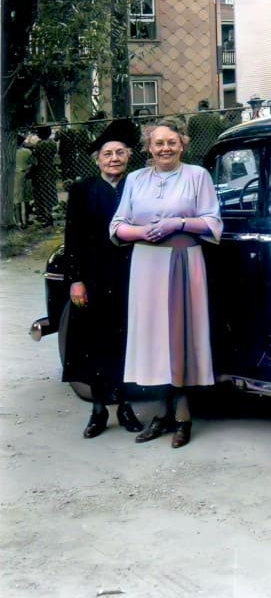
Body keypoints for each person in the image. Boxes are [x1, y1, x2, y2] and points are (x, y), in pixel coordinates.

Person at [110, 117, 222, 448]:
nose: (165, 148)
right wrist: (141, 232)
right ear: (149, 147)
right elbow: (117, 225)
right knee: (154, 340)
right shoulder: (135, 179)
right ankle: (160, 413)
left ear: (182, 144)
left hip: (184, 263)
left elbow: (213, 221)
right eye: (158, 143)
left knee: (181, 337)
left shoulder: (197, 176)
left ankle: (183, 417)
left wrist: (178, 222)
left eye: (171, 142)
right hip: (147, 266)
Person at [62, 120, 144, 438]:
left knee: (126, 341)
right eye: (108, 153)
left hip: (130, 275)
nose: (114, 159)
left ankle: (124, 405)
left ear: (128, 157)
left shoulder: (137, 187)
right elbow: (74, 238)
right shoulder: (83, 191)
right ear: (98, 159)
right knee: (94, 344)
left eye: (120, 153)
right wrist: (76, 280)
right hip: (94, 278)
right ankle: (98, 410)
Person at [185, 99, 227, 166]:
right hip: (211, 148)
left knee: (198, 169)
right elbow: (221, 130)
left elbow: (190, 134)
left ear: (199, 108)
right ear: (207, 107)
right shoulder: (215, 118)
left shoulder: (193, 119)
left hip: (197, 149)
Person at [31, 125, 58, 226]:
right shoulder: (52, 144)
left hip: (41, 171)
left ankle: (46, 216)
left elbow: (34, 158)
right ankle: (49, 214)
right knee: (50, 192)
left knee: (43, 193)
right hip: (50, 169)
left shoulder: (39, 145)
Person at [14, 133, 35, 228]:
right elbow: (34, 163)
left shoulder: (11, 153)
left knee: (17, 200)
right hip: (26, 176)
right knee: (26, 199)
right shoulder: (27, 151)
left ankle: (19, 221)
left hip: (15, 176)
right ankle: (27, 219)